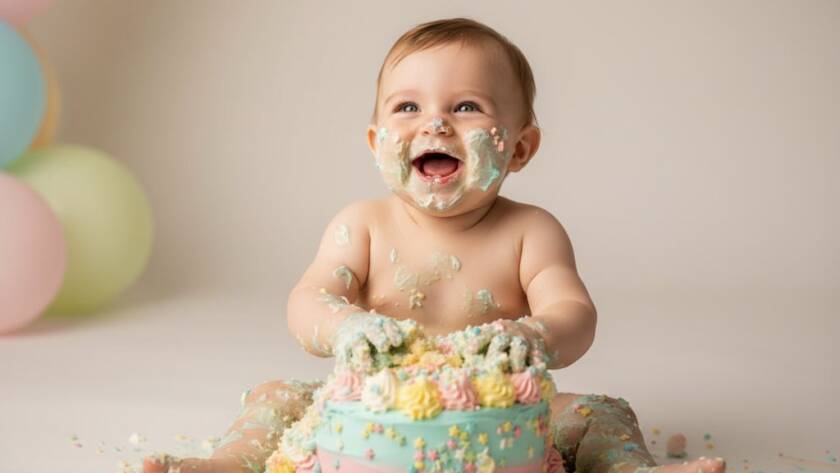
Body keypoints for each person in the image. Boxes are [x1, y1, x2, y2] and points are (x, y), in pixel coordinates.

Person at [144, 17, 727, 473]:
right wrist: (345, 326)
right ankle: (227, 465)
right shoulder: (363, 224)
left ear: (520, 149)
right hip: (374, 402)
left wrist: (533, 335)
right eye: (408, 107)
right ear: (376, 142)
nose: (435, 123)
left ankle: (627, 468)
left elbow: (574, 312)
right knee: (276, 395)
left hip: (496, 405)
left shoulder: (532, 232)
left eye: (466, 106)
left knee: (600, 412)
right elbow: (308, 300)